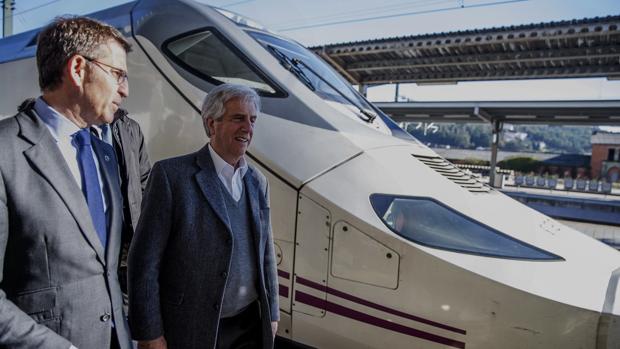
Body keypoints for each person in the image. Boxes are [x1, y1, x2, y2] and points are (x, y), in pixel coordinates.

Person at [0, 17, 132, 349]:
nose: (125, 90)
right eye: (117, 74)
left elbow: (106, 269)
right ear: (78, 68)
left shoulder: (105, 153)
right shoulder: (5, 151)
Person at [128, 83, 279, 349]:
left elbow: (266, 255)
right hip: (191, 328)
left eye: (252, 120)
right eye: (238, 118)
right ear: (211, 123)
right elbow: (144, 261)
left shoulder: (257, 182)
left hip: (249, 326)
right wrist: (149, 333)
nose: (248, 128)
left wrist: (273, 314)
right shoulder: (171, 176)